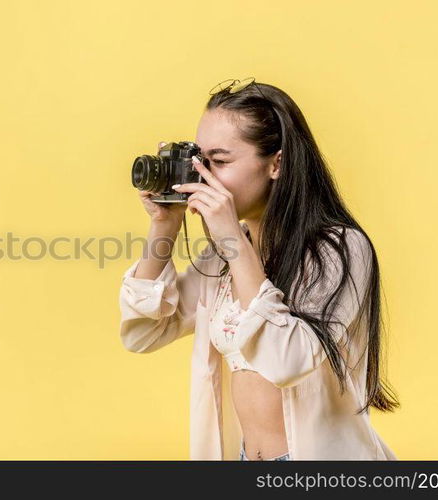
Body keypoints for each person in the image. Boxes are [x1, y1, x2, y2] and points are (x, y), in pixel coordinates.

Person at [118, 79, 399, 460]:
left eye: (219, 162)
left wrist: (232, 240)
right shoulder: (223, 257)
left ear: (276, 163)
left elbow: (286, 361)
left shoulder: (341, 249)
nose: (203, 176)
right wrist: (164, 225)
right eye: (200, 162)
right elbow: (145, 332)